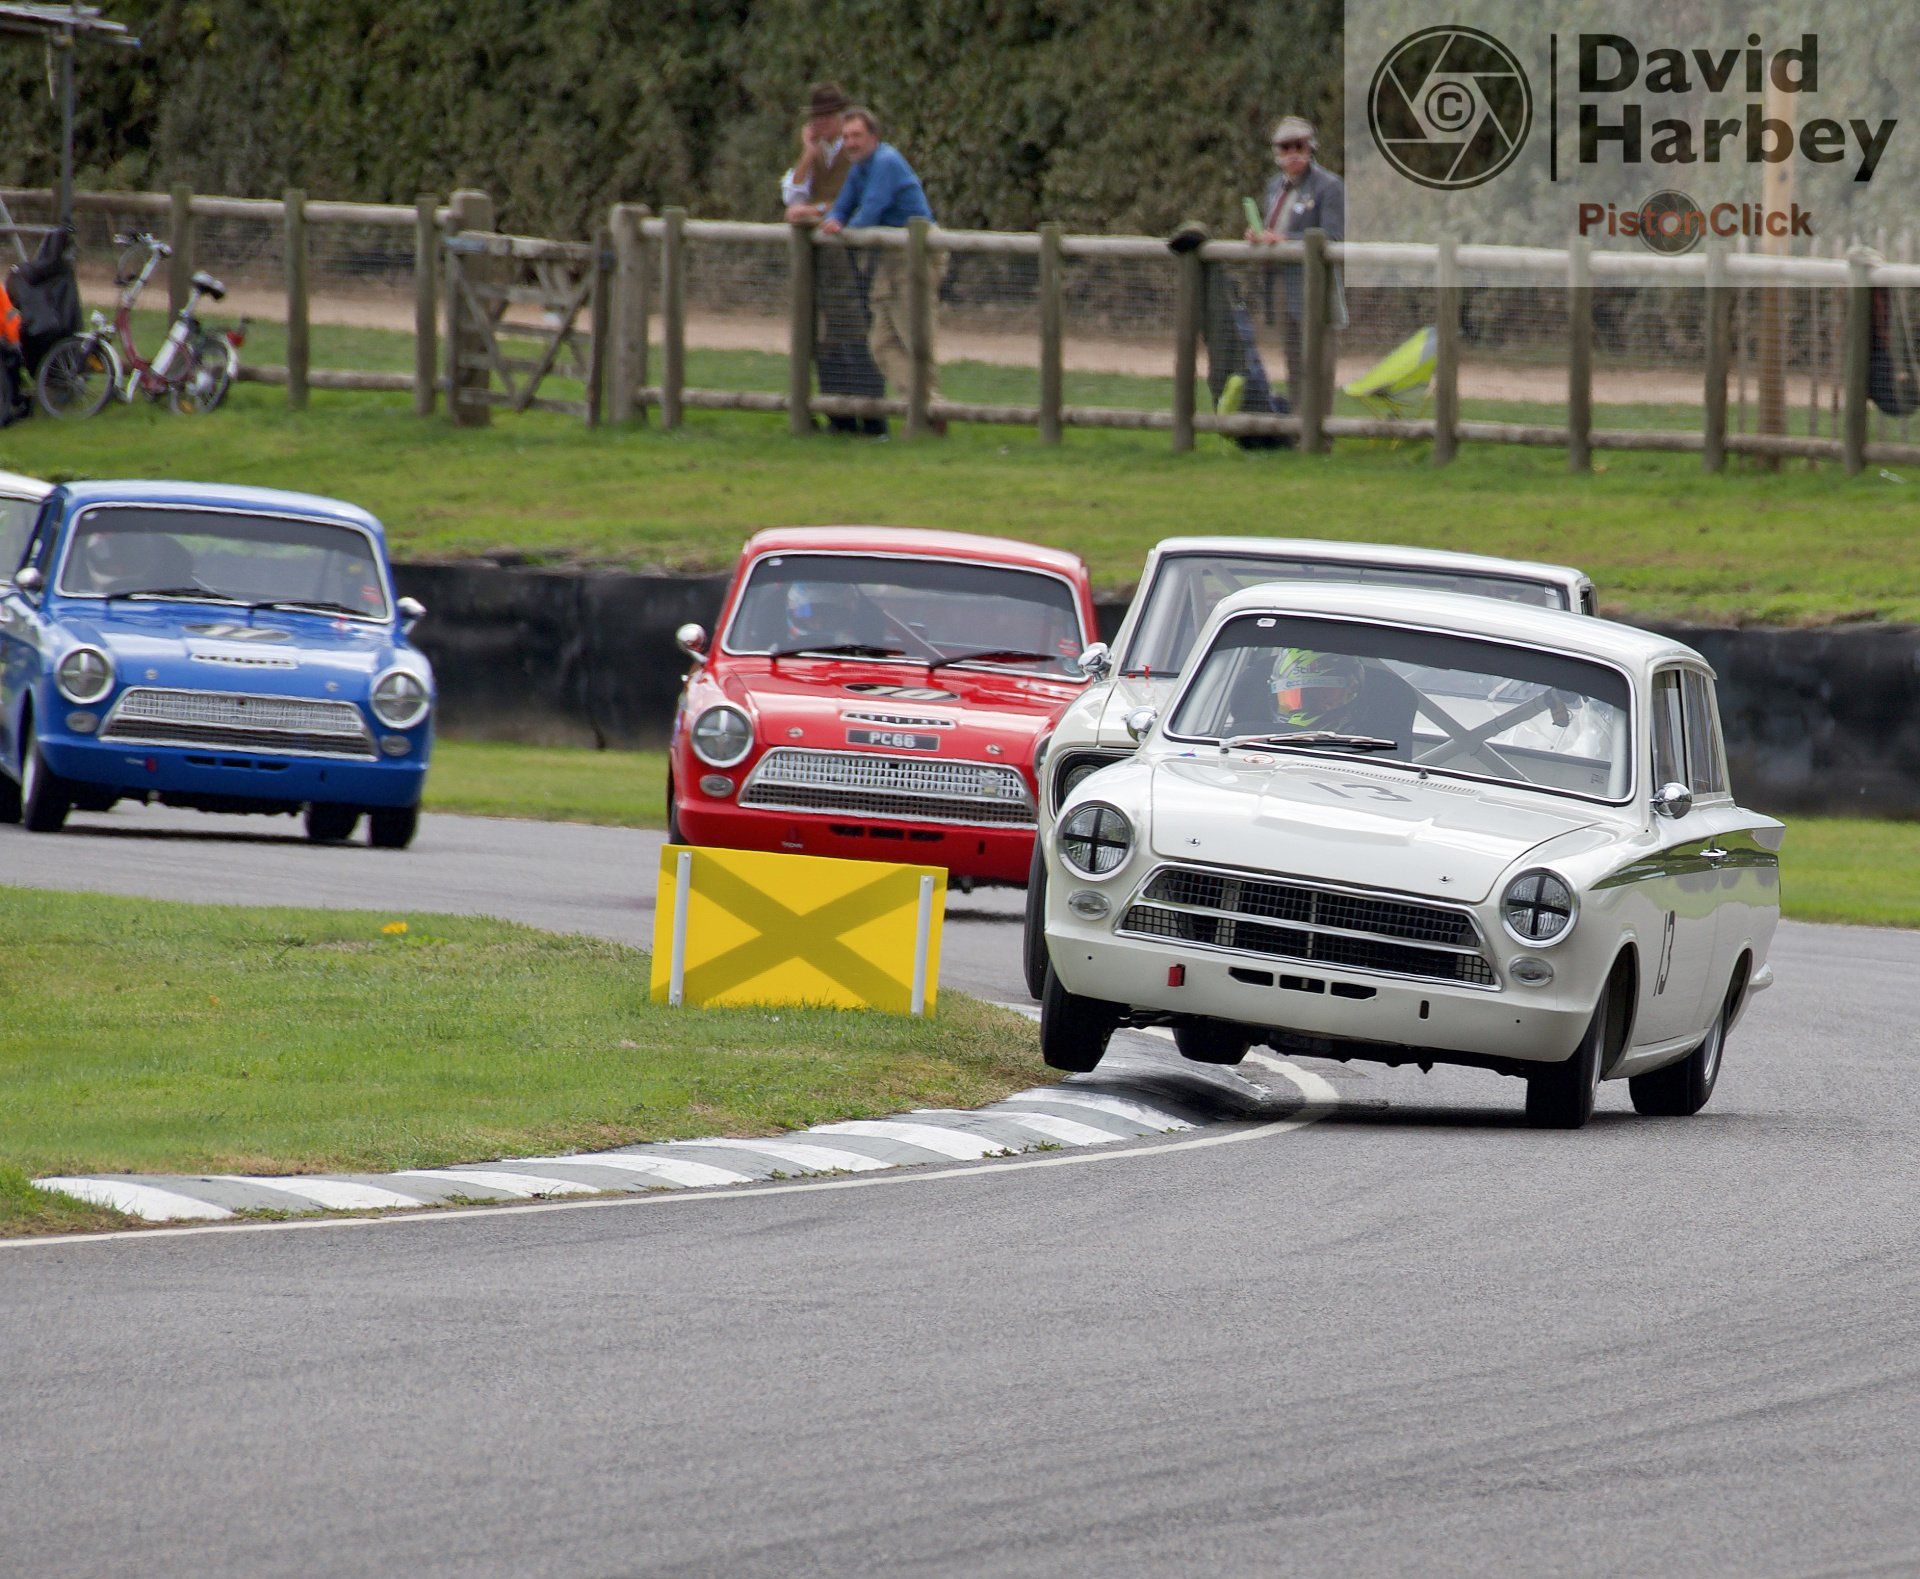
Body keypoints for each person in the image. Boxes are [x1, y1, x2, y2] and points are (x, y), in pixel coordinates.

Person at [820, 108, 945, 435]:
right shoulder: (859, 168)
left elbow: (871, 209)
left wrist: (844, 232)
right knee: (881, 343)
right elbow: (844, 206)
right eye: (846, 137)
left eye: (857, 136)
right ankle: (931, 408)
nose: (850, 143)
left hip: (913, 253)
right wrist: (834, 220)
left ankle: (924, 417)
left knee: (913, 336)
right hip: (888, 257)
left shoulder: (886, 162)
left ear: (873, 138)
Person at [780, 81, 888, 436]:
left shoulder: (854, 152)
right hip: (821, 255)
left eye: (827, 116)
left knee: (855, 330)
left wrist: (815, 209)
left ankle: (871, 418)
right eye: (817, 118)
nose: (822, 124)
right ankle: (837, 416)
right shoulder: (818, 153)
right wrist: (808, 154)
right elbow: (791, 194)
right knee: (821, 332)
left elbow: (852, 200)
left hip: (851, 255)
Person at [1248, 116, 1348, 422]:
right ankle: (1297, 426)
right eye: (1285, 146)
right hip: (1279, 285)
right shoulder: (1273, 186)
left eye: (1299, 146)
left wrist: (1284, 240)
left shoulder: (1328, 186)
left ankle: (1319, 431)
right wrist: (1259, 236)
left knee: (1318, 361)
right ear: (1276, 152)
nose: (1292, 152)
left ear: (1310, 148)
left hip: (1314, 288)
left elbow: (1333, 237)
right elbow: (1273, 228)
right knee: (1292, 359)